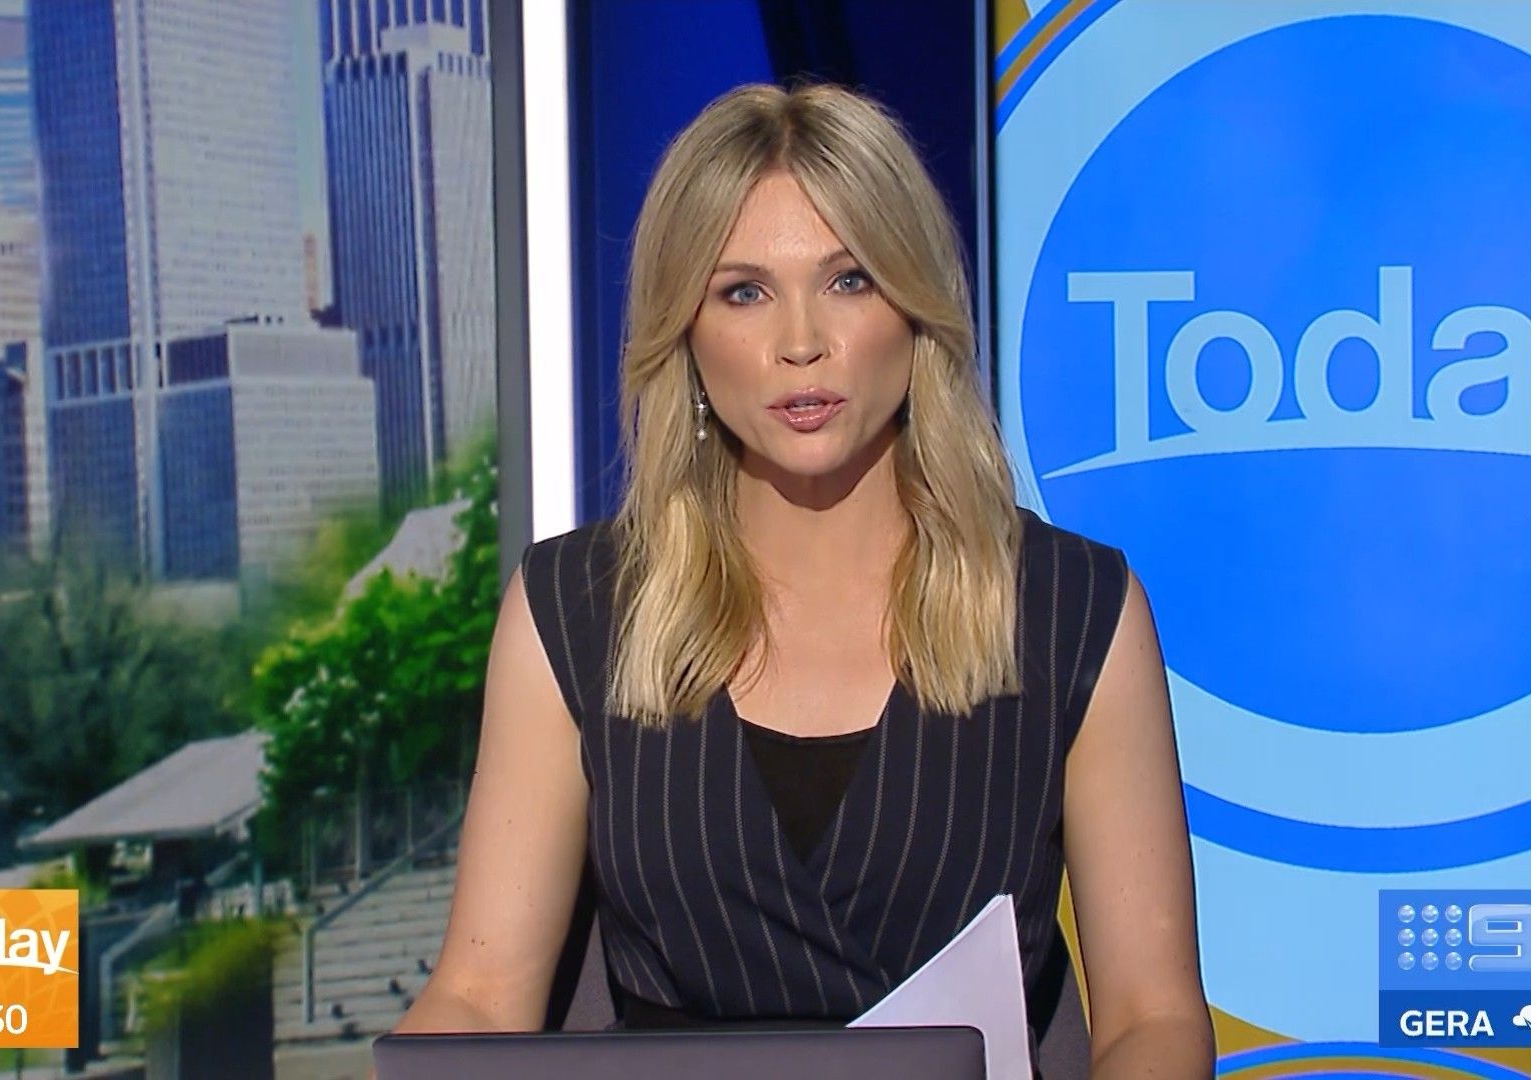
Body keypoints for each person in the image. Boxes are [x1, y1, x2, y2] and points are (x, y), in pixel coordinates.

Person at [393, 82, 1214, 1078]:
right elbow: (481, 994)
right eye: (744, 292)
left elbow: (1151, 1017)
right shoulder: (575, 611)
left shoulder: (1072, 610)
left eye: (849, 280)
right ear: (685, 332)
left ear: (914, 306)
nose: (800, 343)